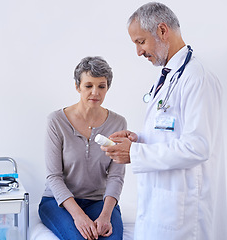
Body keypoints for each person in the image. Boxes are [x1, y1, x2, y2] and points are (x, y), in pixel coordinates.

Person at [100, 2, 227, 240]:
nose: (138, 52)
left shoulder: (196, 78)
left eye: (140, 42)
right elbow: (171, 132)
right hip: (162, 207)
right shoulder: (169, 76)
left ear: (161, 30)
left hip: (183, 216)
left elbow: (198, 147)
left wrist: (135, 153)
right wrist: (139, 140)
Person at [38, 56, 127, 240]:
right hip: (58, 203)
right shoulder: (56, 122)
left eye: (101, 86)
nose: (95, 92)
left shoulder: (118, 123)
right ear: (78, 87)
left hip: (98, 202)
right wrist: (79, 217)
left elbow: (116, 175)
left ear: (107, 88)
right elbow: (53, 176)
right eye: (88, 86)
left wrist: (105, 215)